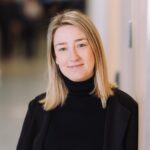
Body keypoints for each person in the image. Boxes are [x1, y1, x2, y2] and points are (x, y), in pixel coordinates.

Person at [17, 10, 138, 150]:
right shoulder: (37, 109)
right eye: (62, 48)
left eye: (81, 45)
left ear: (95, 49)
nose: (73, 57)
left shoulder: (124, 108)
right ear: (55, 57)